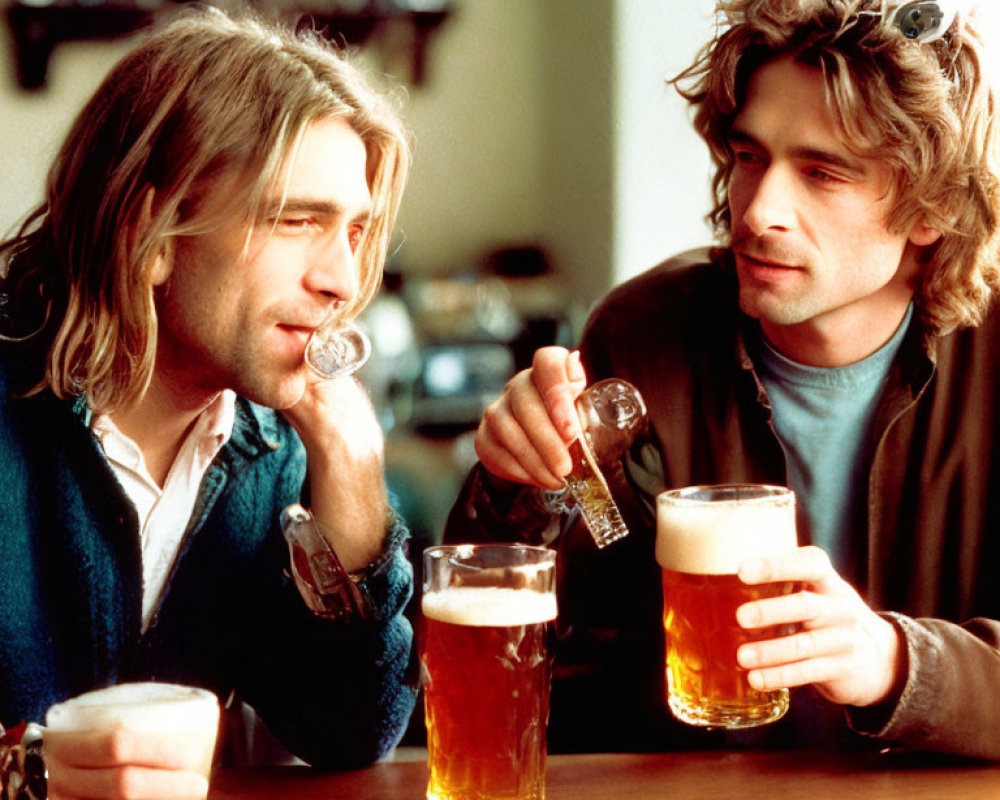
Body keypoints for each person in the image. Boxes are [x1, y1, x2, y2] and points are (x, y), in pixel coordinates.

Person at [445, 0, 1000, 760]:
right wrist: (517, 486)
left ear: (929, 208)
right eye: (749, 156)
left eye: (822, 172)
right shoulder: (642, 333)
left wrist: (898, 664)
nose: (759, 209)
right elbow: (549, 644)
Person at [0, 5, 416, 797]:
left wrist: (355, 485)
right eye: (299, 221)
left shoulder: (273, 455)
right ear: (150, 232)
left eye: (356, 233)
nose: (341, 282)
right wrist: (26, 770)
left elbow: (347, 731)